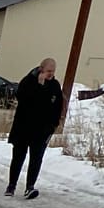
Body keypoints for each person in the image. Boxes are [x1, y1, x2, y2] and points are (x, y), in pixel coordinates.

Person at [7, 58, 64, 199]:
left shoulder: (55, 86)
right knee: (18, 157)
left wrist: (54, 125)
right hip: (23, 128)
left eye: (53, 71)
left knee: (36, 159)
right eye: (48, 71)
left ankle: (30, 187)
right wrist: (39, 85)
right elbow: (24, 98)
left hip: (42, 130)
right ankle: (11, 186)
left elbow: (57, 106)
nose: (51, 74)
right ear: (41, 69)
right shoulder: (28, 81)